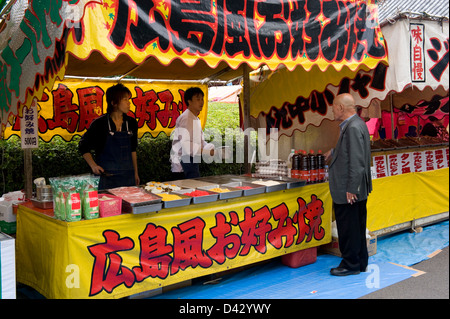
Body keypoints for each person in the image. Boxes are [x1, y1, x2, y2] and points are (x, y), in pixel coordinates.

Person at [325, 93, 372, 276]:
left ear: (341, 108)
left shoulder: (351, 127)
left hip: (349, 189)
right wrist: (334, 152)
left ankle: (350, 264)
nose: (333, 111)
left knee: (349, 227)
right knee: (357, 226)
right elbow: (352, 151)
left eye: (334, 107)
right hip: (356, 187)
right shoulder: (357, 124)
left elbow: (357, 160)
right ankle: (360, 262)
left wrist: (351, 188)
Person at [79, 83, 140, 190]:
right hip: (106, 177)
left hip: (127, 177)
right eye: (125, 99)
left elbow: (133, 150)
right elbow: (83, 146)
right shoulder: (99, 123)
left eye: (128, 99)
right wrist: (93, 165)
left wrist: (135, 173)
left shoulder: (131, 123)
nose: (129, 103)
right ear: (114, 103)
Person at [170, 87, 214, 179]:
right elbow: (186, 146)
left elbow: (200, 141)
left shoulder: (195, 118)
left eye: (202, 99)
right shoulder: (187, 118)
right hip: (182, 168)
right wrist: (205, 151)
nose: (201, 102)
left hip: (191, 161)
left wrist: (209, 148)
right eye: (198, 99)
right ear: (189, 101)